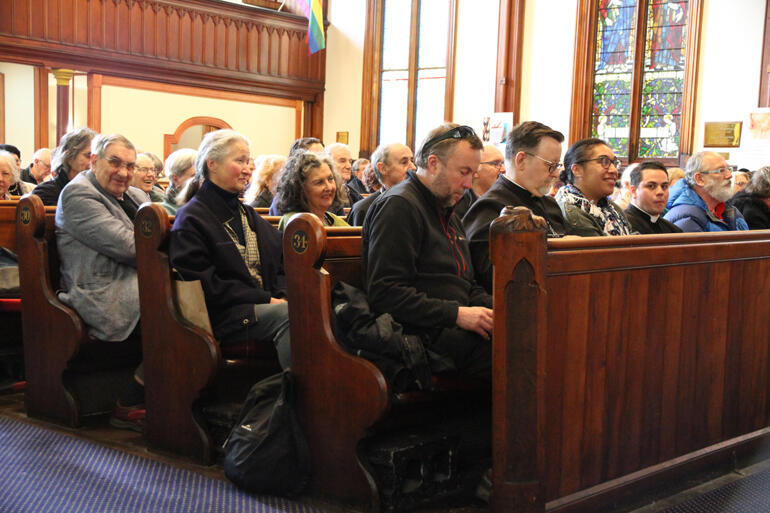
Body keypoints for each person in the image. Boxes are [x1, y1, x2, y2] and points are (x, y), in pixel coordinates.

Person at [362, 123, 492, 382]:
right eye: (463, 172)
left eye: (473, 174)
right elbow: (385, 293)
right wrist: (456, 314)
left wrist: (500, 308)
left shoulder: (445, 205)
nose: (469, 184)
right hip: (417, 336)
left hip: (448, 326)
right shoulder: (400, 206)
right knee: (517, 352)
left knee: (528, 330)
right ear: (433, 164)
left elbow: (464, 283)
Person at [169, 129, 291, 369]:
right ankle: (296, 397)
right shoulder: (192, 218)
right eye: (240, 160)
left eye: (249, 161)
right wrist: (267, 298)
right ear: (212, 164)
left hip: (261, 306)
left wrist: (283, 294)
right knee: (290, 316)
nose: (248, 169)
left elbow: (281, 261)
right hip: (223, 317)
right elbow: (205, 285)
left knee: (312, 308)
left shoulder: (246, 213)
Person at [55, 133, 149, 430]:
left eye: (131, 166)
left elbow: (157, 240)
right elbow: (133, 248)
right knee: (177, 309)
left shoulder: (137, 195)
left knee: (202, 299)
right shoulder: (79, 195)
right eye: (115, 163)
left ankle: (171, 395)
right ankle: (131, 401)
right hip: (102, 293)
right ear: (94, 160)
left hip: (140, 284)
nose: (124, 173)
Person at [464, 121, 568, 292]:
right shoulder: (490, 207)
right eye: (551, 165)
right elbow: (491, 277)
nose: (556, 174)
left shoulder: (549, 204)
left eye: (557, 166)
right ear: (521, 160)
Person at [555, 138, 633, 236]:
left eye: (614, 163)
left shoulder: (611, 207)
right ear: (577, 170)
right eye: (604, 162)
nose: (614, 170)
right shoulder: (571, 210)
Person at [664, 151, 748, 232]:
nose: (729, 175)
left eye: (728, 169)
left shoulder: (730, 210)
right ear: (700, 179)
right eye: (721, 170)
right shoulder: (687, 219)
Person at [275, 151, 349, 230]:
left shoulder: (333, 220)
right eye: (319, 182)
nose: (329, 187)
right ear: (300, 188)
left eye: (330, 179)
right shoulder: (296, 221)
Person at [347, 142, 415, 226]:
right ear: (383, 168)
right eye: (404, 162)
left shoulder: (421, 202)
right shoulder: (363, 209)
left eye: (412, 161)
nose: (413, 167)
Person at [33, 127, 96, 206]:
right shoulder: (45, 192)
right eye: (88, 156)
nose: (94, 162)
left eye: (97, 157)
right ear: (69, 157)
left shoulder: (97, 190)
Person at [623, 161, 682, 234]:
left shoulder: (673, 231)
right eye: (651, 186)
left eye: (664, 186)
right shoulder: (623, 227)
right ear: (634, 191)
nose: (660, 192)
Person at [453, 144, 505, 220]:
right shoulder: (456, 206)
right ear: (475, 169)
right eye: (496, 163)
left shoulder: (507, 201)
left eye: (503, 163)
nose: (504, 169)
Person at [160, 148, 197, 215]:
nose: (201, 180)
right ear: (175, 179)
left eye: (202, 175)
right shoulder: (164, 212)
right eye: (194, 176)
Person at [326, 142, 363, 207]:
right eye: (342, 161)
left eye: (350, 161)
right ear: (328, 164)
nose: (349, 166)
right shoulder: (326, 193)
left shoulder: (351, 191)